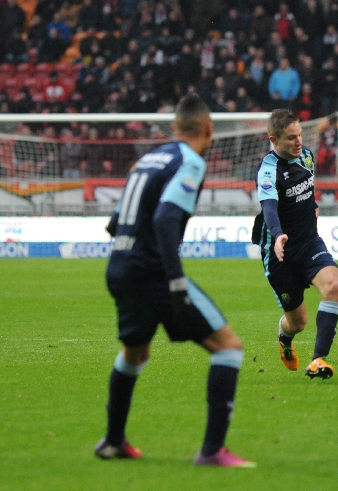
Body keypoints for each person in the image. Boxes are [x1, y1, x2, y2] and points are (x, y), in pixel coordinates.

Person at [96, 94, 254, 467]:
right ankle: (212, 450)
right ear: (208, 129)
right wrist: (176, 282)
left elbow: (113, 223)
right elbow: (166, 219)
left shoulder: (148, 159)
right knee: (228, 346)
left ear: (173, 127)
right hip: (152, 273)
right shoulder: (190, 161)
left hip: (119, 266)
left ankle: (113, 441)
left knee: (136, 353)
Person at [251, 109, 338, 380]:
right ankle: (284, 338)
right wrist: (278, 234)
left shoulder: (307, 157)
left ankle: (318, 360)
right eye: (291, 138)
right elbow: (269, 207)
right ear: (274, 139)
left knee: (333, 286)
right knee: (298, 322)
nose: (298, 142)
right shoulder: (268, 170)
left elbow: (308, 194)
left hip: (309, 243)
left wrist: (312, 211)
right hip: (280, 255)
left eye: (300, 135)